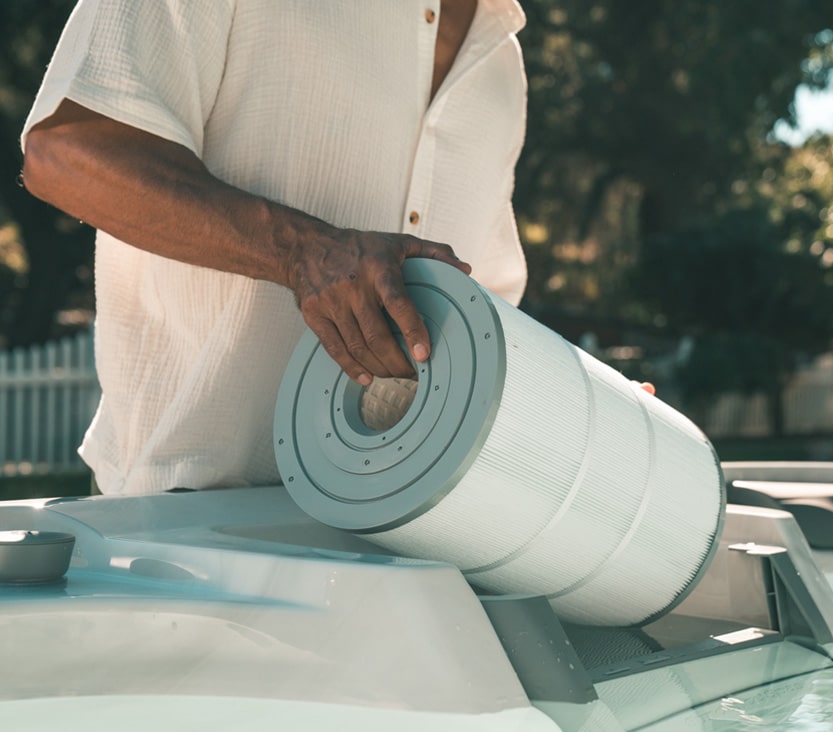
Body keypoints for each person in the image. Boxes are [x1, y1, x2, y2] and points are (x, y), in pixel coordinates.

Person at [20, 0, 529, 495]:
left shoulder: (502, 63)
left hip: (396, 530)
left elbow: (487, 301)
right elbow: (68, 151)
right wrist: (305, 252)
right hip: (176, 516)